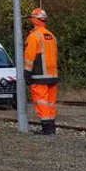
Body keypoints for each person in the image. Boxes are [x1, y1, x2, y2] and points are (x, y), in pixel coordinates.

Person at [23, 7, 58, 135]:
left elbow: (29, 57)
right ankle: (51, 127)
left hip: (39, 76)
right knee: (50, 103)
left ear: (34, 19)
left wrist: (27, 73)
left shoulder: (34, 37)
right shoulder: (51, 36)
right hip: (53, 76)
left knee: (41, 102)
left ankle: (47, 129)